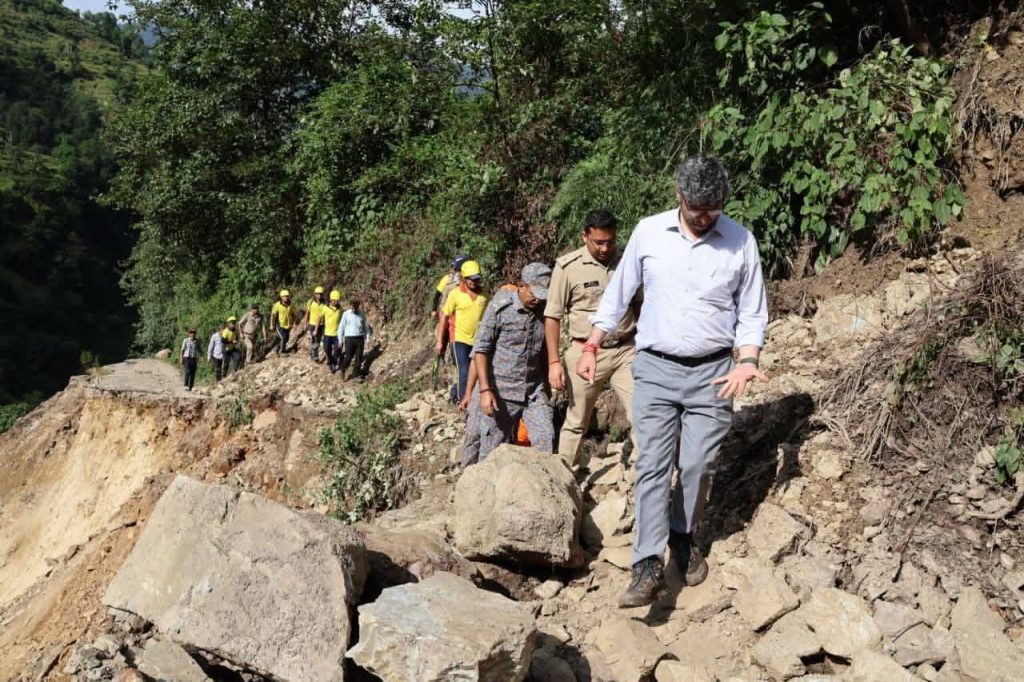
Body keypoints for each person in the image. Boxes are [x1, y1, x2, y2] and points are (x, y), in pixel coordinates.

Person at [577, 155, 769, 608]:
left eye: (714, 208)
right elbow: (619, 292)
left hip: (714, 372)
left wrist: (747, 359)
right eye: (697, 207)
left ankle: (683, 536)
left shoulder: (741, 241)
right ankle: (646, 565)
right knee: (652, 465)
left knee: (698, 465)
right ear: (678, 196)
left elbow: (752, 311)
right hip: (656, 369)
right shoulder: (648, 232)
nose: (705, 217)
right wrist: (592, 344)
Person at [545, 209, 640, 467]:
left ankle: (644, 477)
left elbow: (639, 304)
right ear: (584, 236)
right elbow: (552, 317)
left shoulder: (626, 260)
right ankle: (564, 478)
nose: (605, 248)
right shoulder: (567, 267)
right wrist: (554, 363)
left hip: (625, 350)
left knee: (643, 414)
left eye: (610, 241)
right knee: (576, 421)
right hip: (584, 353)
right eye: (598, 242)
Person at [474, 263, 555, 459]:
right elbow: (481, 350)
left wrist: (547, 384)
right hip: (501, 392)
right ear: (521, 285)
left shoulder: (544, 310)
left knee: (546, 439)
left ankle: (540, 487)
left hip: (533, 392)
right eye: (534, 293)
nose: (537, 299)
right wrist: (485, 390)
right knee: (491, 452)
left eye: (542, 294)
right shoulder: (500, 308)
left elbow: (543, 350)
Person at [435, 260, 488, 402]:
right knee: (464, 371)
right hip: (458, 338)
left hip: (478, 340)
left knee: (476, 373)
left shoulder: (484, 295)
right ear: (463, 278)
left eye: (477, 279)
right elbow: (444, 316)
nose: (474, 282)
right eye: (471, 279)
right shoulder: (455, 294)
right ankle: (463, 404)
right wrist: (440, 341)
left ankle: (457, 393)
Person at [340, 298, 373, 380]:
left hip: (360, 338)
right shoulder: (346, 314)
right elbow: (341, 327)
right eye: (353, 306)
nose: (354, 308)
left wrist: (368, 339)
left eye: (356, 306)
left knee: (359, 358)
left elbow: (366, 327)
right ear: (350, 305)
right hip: (349, 338)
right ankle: (343, 368)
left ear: (358, 305)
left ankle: (356, 374)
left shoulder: (362, 314)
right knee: (348, 357)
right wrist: (340, 339)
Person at [431, 254, 470, 320]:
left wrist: (434, 310)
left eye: (453, 267)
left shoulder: (468, 280)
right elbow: (437, 295)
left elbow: (437, 295)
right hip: (449, 312)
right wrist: (434, 310)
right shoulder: (447, 279)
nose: (453, 269)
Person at [322, 290, 344, 373]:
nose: (337, 302)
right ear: (331, 299)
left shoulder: (340, 309)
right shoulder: (325, 308)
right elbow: (319, 318)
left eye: (338, 300)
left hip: (337, 334)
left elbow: (343, 320)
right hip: (327, 333)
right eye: (335, 300)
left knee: (337, 349)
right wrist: (316, 329)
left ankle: (333, 363)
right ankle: (330, 361)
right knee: (327, 349)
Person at [302, 286, 327, 362]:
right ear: (315, 294)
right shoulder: (311, 302)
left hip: (321, 325)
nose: (319, 296)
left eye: (320, 294)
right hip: (312, 324)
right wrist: (305, 324)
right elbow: (307, 313)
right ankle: (315, 355)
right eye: (317, 294)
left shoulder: (325, 303)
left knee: (318, 340)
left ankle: (312, 353)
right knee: (314, 340)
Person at [270, 289, 294, 356]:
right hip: (279, 325)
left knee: (286, 338)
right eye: (284, 296)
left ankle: (278, 349)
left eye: (287, 296)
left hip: (287, 325)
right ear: (281, 297)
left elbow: (292, 314)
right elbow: (272, 315)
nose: (286, 297)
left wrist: (294, 323)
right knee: (283, 337)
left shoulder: (290, 305)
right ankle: (281, 352)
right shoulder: (277, 305)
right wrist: (271, 324)